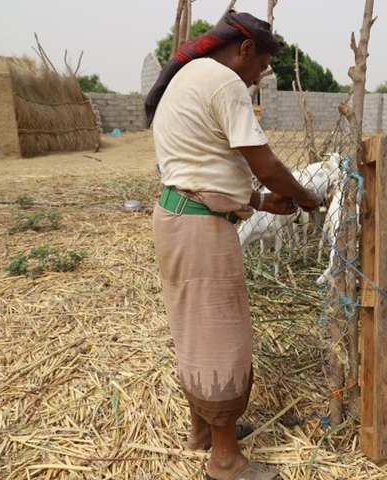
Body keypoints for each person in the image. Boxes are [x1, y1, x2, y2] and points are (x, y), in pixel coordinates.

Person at [145, 10, 320, 480]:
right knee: (222, 336)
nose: (260, 76)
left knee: (194, 330)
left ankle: (203, 431)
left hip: (178, 216)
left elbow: (204, 163)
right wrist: (306, 197)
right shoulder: (224, 82)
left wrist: (260, 202)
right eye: (262, 65)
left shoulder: (189, 76)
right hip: (201, 228)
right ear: (244, 50)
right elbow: (264, 163)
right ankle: (225, 460)